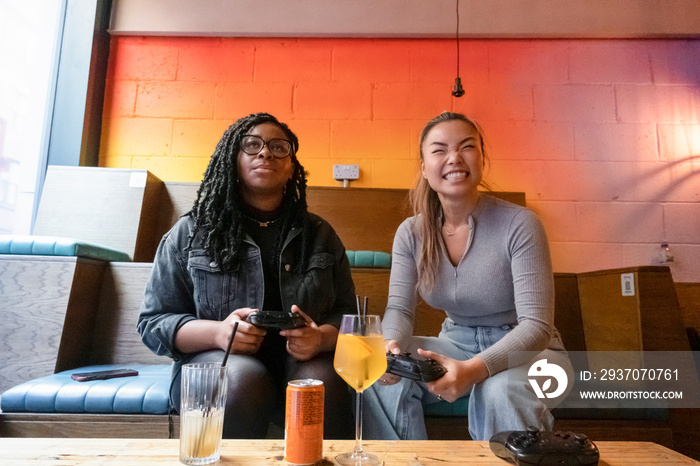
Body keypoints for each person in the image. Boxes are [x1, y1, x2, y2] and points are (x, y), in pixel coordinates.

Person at [137, 112, 355, 439]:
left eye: (278, 147)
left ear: (293, 166)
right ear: (232, 159)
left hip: (301, 361)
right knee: (241, 378)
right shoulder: (190, 233)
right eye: (251, 145)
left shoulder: (319, 234)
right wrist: (218, 333)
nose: (265, 153)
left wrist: (320, 338)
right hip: (216, 361)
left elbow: (349, 317)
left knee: (320, 384)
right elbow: (153, 323)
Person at [363, 111, 572, 441]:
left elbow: (537, 327)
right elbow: (400, 311)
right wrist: (390, 349)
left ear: (482, 158)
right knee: (376, 373)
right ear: (423, 167)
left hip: (531, 353)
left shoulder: (521, 224)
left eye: (466, 146)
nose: (454, 158)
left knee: (497, 389)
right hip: (455, 342)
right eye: (439, 149)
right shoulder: (411, 232)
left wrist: (473, 370)